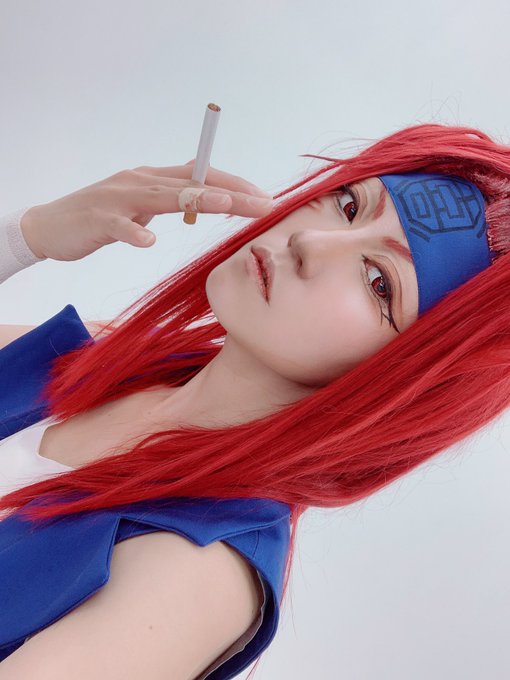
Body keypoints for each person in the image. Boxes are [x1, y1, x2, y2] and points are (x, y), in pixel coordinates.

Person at [1, 122, 510, 678]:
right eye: (348, 206)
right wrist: (29, 236)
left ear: (412, 381)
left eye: (379, 282)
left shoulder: (195, 569)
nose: (310, 243)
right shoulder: (108, 360)